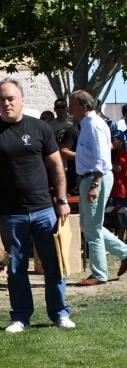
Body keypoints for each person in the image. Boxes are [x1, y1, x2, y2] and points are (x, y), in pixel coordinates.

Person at [0, 77, 74, 332]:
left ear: (21, 100)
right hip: (10, 214)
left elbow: (56, 166)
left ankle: (60, 313)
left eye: (11, 98)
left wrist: (61, 200)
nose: (6, 103)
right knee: (15, 268)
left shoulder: (41, 128)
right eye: (1, 99)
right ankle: (21, 317)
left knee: (54, 265)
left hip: (44, 210)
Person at [70, 90, 127, 284]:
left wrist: (95, 183)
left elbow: (102, 158)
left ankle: (99, 274)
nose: (69, 108)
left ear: (84, 107)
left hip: (97, 179)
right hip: (91, 179)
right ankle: (125, 253)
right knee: (90, 226)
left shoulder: (94, 125)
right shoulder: (87, 124)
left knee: (92, 228)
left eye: (72, 104)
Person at [109, 130, 127, 241]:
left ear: (120, 140)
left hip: (122, 192)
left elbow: (119, 168)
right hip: (116, 191)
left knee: (123, 217)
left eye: (113, 140)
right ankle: (119, 240)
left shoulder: (123, 153)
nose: (111, 143)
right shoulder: (117, 153)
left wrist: (106, 163)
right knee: (119, 218)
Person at [59, 123, 80, 195]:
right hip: (77, 175)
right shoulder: (74, 131)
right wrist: (85, 156)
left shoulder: (100, 130)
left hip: (101, 175)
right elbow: (63, 152)